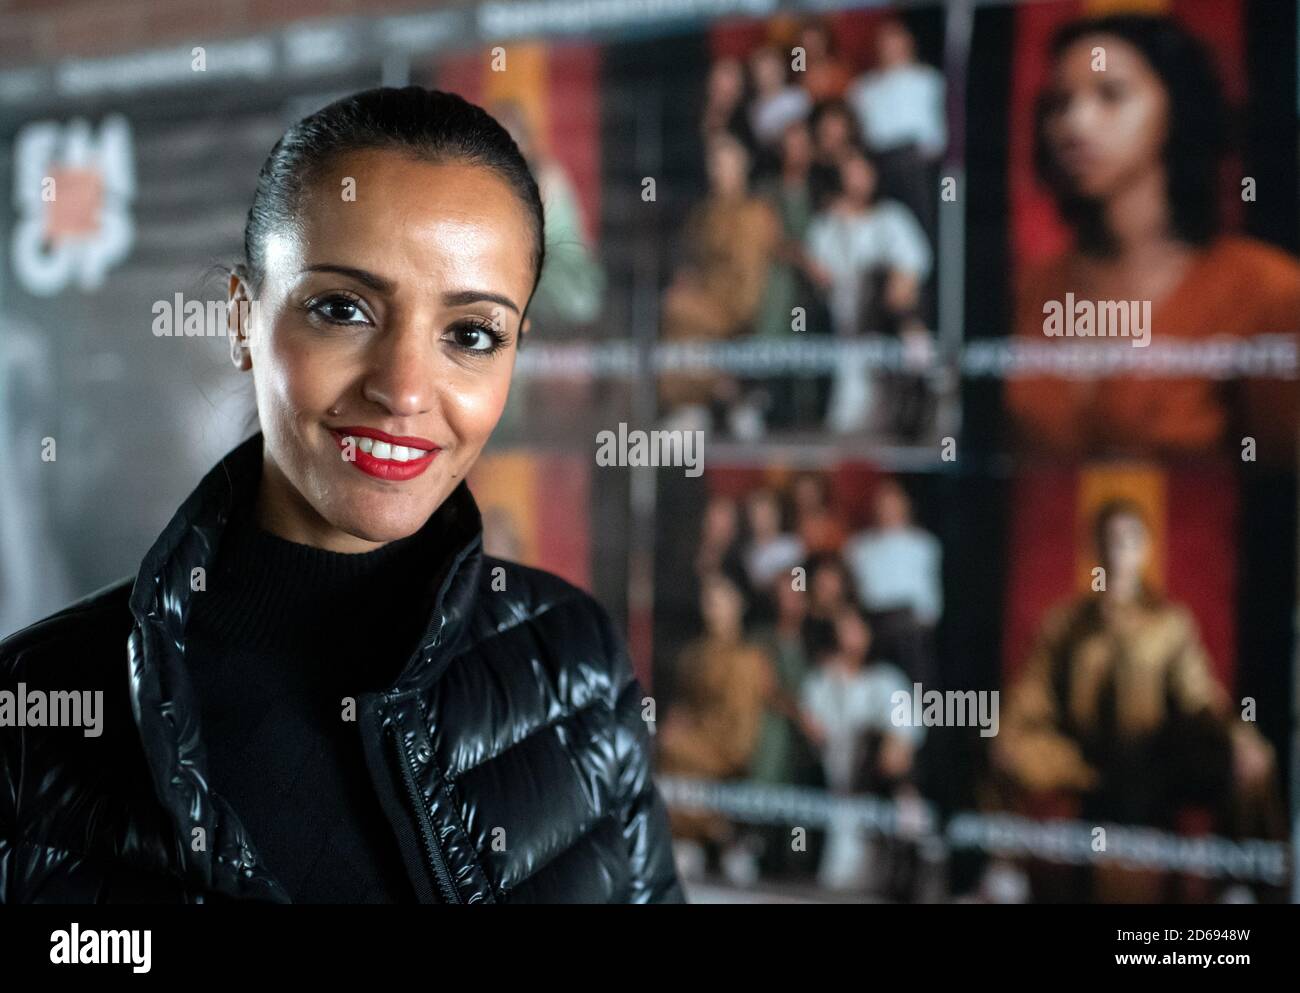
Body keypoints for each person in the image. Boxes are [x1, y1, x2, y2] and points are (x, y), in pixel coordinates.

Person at [0, 88, 684, 905]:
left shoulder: (574, 657)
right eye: (342, 309)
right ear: (242, 317)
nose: (402, 390)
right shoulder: (32, 704)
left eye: (471, 334)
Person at [1004, 14, 1300, 463]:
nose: (1077, 124)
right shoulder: (1034, 287)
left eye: (1111, 94)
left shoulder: (1266, 288)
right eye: (1060, 103)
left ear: (1176, 107)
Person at [994, 498, 1282, 901]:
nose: (1117, 551)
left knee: (1253, 757)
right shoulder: (1064, 624)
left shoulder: (1170, 623)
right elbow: (1030, 698)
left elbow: (1200, 699)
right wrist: (1006, 733)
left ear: (1145, 549)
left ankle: (1242, 887)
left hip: (1158, 763)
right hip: (1080, 763)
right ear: (1093, 548)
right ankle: (1000, 876)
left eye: (1129, 540)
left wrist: (1236, 734)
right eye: (1108, 540)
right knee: (997, 742)